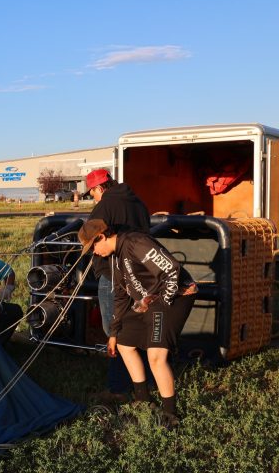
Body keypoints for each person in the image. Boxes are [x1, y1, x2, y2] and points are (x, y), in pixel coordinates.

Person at [78, 219, 197, 427]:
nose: (93, 253)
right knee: (125, 343)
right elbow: (122, 295)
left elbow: (172, 270)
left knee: (156, 356)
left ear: (102, 236)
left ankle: (171, 415)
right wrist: (114, 333)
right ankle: (143, 399)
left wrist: (162, 305)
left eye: (93, 247)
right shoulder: (114, 257)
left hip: (175, 295)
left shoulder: (136, 243)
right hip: (149, 299)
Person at [86, 168, 151, 402]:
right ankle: (143, 380)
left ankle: (117, 388)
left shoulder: (104, 206)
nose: (92, 197)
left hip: (112, 274)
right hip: (140, 275)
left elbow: (90, 236)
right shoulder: (139, 203)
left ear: (99, 188)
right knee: (135, 326)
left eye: (91, 193)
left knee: (114, 331)